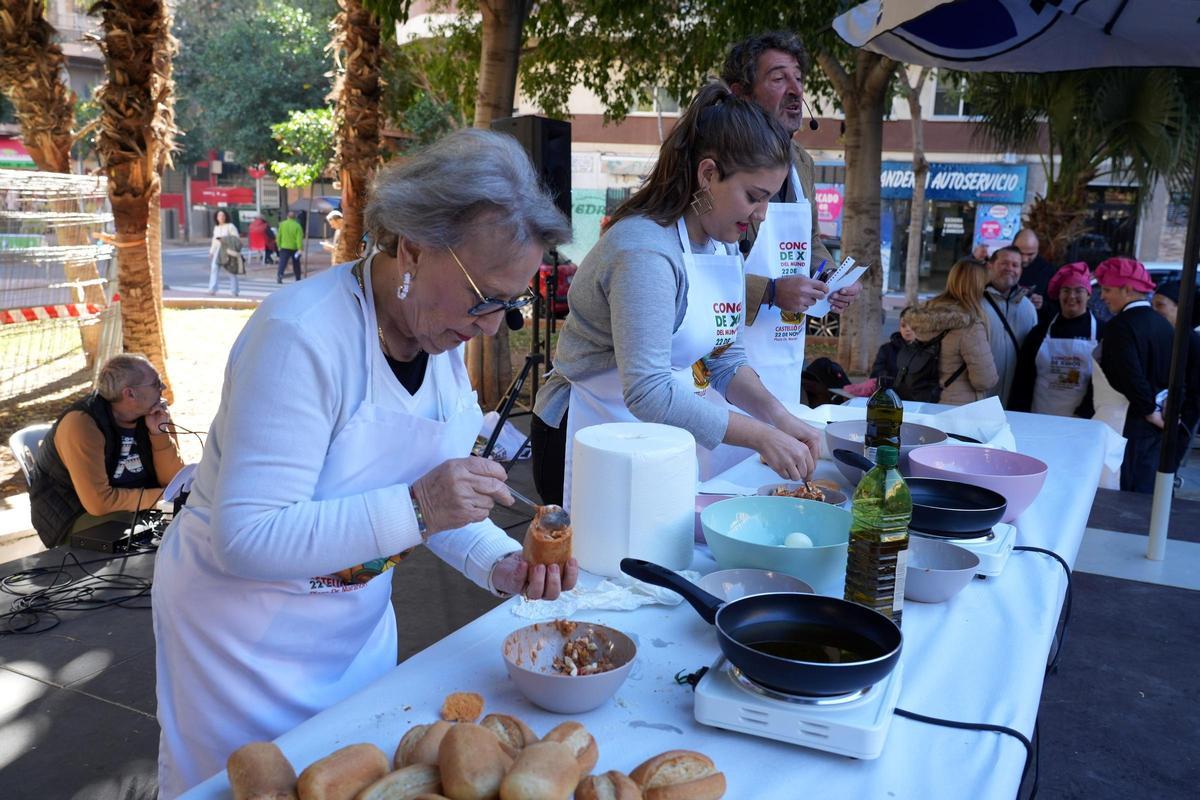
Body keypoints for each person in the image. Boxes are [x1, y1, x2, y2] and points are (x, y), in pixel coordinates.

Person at [152, 130, 579, 798]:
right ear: (411, 244)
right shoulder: (301, 337)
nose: (493, 327)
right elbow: (249, 536)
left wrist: (499, 564)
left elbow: (439, 503)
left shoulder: (437, 346)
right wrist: (421, 507)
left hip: (354, 636)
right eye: (484, 297)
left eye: (510, 305)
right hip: (241, 647)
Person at [529, 82, 823, 506]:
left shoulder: (722, 244)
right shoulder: (645, 251)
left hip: (656, 438)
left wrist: (780, 418)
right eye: (754, 197)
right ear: (708, 174)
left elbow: (726, 359)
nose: (761, 214)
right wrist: (760, 437)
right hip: (591, 437)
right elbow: (648, 391)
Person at [723, 31, 860, 403]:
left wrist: (831, 276)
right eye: (779, 78)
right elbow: (697, 263)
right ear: (740, 93)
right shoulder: (715, 160)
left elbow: (809, 241)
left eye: (799, 77)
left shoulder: (803, 163)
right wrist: (769, 291)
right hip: (720, 352)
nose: (796, 90)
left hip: (783, 350)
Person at [28, 354, 184, 548]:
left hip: (136, 505)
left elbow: (174, 481)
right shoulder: (82, 424)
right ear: (130, 394)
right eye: (156, 383)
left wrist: (159, 434)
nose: (163, 388)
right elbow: (99, 503)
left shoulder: (153, 413)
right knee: (147, 533)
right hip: (75, 515)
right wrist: (168, 497)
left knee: (189, 519)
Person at [1093, 257, 1174, 493]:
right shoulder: (1164, 325)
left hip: (1126, 425)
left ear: (1127, 289)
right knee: (1145, 492)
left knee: (1118, 492)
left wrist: (1150, 410)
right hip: (1157, 425)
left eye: (1107, 290)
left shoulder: (1120, 326)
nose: (1102, 296)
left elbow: (1130, 375)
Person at [1010, 262, 1104, 417]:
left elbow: (1104, 383)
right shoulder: (1038, 333)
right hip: (1040, 417)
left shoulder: (1103, 332)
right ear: (1058, 295)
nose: (1071, 296)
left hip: (1083, 421)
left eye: (1078, 290)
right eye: (1066, 290)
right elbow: (1022, 380)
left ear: (1088, 294)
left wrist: (1085, 411)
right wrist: (1018, 415)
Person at [903, 259, 999, 405]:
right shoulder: (970, 325)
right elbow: (984, 380)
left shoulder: (924, 315)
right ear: (978, 287)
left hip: (921, 399)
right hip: (957, 407)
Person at [1151, 279, 1200, 469]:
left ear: (1179, 307)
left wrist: (1180, 420)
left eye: (1160, 305)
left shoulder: (1193, 343)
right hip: (1154, 419)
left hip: (1180, 423)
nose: (1154, 311)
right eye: (1152, 305)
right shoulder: (1159, 336)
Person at [982, 245, 1038, 405]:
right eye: (1004, 263)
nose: (1010, 269)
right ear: (990, 266)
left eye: (1015, 265)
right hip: (978, 400)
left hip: (1014, 402)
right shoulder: (975, 303)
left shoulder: (1028, 308)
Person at [1013, 228, 1057, 318]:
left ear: (1037, 250)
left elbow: (1057, 308)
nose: (1025, 259)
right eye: (1020, 253)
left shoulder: (1047, 270)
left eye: (1030, 254)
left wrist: (1042, 305)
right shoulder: (1001, 263)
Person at [870, 306, 917, 385]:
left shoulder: (929, 351)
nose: (907, 329)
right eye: (903, 325)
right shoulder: (886, 349)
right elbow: (876, 376)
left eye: (912, 325)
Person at [207, 209, 240, 296]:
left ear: (226, 216)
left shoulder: (230, 226)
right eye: (219, 216)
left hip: (228, 250)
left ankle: (234, 290)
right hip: (218, 250)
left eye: (223, 215)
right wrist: (211, 252)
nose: (221, 217)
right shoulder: (216, 228)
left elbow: (236, 238)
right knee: (214, 268)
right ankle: (212, 289)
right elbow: (214, 240)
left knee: (230, 271)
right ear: (216, 217)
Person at [276, 210, 304, 283]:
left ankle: (280, 275)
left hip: (284, 247)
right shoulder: (297, 226)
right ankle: (298, 278)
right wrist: (300, 248)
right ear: (295, 217)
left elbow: (279, 236)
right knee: (296, 263)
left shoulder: (282, 224)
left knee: (283, 263)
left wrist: (278, 245)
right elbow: (299, 239)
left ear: (287, 217)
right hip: (294, 248)